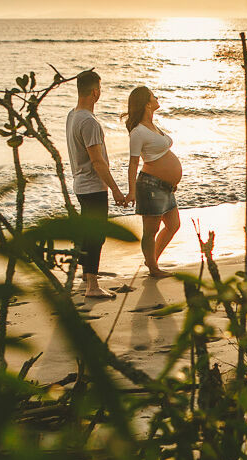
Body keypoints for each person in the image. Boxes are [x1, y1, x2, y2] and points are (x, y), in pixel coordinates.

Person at [66, 69, 126, 298]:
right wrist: (117, 190)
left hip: (80, 183)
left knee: (87, 232)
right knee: (96, 235)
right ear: (95, 92)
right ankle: (92, 285)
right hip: (92, 185)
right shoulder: (89, 122)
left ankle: (85, 275)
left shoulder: (72, 115)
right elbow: (98, 162)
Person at [122, 86, 181, 278]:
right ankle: (154, 268)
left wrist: (172, 179)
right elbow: (133, 164)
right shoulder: (138, 132)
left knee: (173, 225)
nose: (157, 98)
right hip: (150, 186)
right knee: (151, 229)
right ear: (147, 103)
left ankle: (151, 261)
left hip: (165, 187)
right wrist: (131, 191)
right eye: (153, 96)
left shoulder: (153, 126)